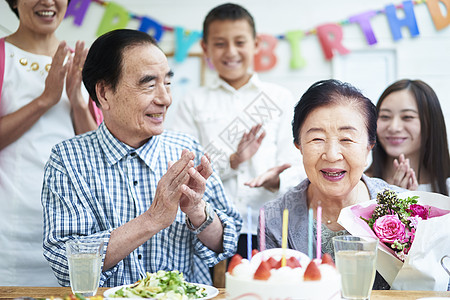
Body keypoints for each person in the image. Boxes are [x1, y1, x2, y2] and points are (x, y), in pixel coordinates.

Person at [41, 29, 242, 287]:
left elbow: (228, 242)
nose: (165, 99)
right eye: (149, 84)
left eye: (167, 83)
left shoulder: (185, 150)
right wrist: (153, 219)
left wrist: (197, 212)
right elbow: (66, 263)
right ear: (104, 93)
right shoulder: (68, 160)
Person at [169, 3, 305, 258]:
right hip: (213, 229)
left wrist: (276, 179)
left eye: (240, 42)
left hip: (272, 225)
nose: (231, 52)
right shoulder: (193, 100)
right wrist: (233, 161)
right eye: (220, 44)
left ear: (256, 44)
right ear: (205, 48)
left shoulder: (279, 97)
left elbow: (298, 164)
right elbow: (182, 168)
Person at [259, 79, 405, 289]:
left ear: (369, 146)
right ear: (299, 146)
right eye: (317, 139)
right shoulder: (275, 217)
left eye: (346, 139)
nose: (332, 154)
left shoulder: (405, 209)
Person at [0, 0, 98, 286]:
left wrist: (77, 103)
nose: (47, 2)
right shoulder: (3, 55)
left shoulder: (82, 62)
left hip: (72, 228)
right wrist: (45, 100)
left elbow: (97, 153)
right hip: (9, 227)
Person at [366, 79, 450, 195]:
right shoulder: (360, 185)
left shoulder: (446, 187)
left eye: (407, 117)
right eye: (385, 116)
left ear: (431, 123)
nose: (394, 127)